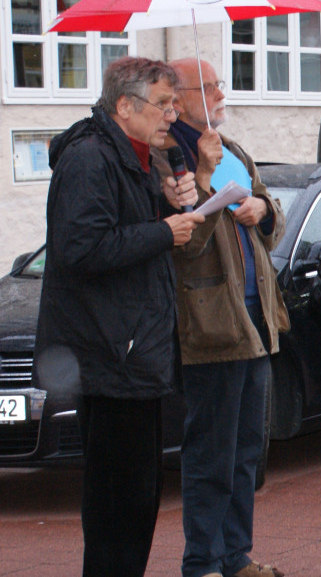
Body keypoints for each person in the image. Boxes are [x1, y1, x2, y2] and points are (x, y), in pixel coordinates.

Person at [35, 56, 202, 575]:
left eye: (175, 103)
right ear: (126, 106)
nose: (172, 115)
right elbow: (80, 247)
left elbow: (122, 229)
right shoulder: (90, 158)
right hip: (110, 357)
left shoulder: (134, 156)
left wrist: (164, 204)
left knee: (138, 498)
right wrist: (162, 231)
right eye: (162, 104)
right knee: (117, 503)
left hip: (132, 351)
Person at [158, 58, 289, 577]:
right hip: (210, 324)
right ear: (179, 97)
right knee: (210, 453)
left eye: (218, 84)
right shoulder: (169, 160)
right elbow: (184, 247)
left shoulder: (232, 150)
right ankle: (203, 563)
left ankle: (237, 557)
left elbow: (269, 225)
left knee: (246, 451)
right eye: (209, 87)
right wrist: (206, 177)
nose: (220, 94)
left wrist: (263, 209)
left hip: (256, 319)